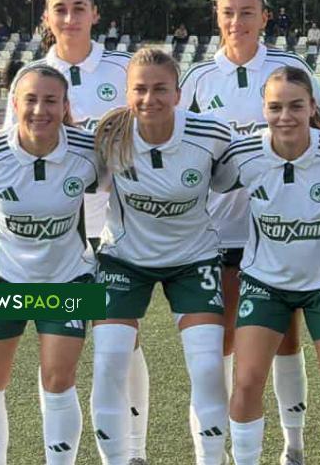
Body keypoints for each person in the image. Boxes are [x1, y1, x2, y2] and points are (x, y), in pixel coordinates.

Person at [179, 0, 320, 465]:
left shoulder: (291, 68)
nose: (236, 21)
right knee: (223, 338)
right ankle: (217, 449)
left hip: (283, 229)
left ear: (264, 17)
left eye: (247, 12)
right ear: (216, 16)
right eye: (228, 12)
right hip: (220, 231)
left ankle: (294, 445)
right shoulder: (198, 79)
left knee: (286, 338)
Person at [0, 0, 151, 464]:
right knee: (55, 350)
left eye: (79, 7)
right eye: (60, 9)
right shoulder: (30, 77)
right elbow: (11, 154)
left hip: (115, 229)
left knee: (123, 341)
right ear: (46, 17)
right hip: (56, 235)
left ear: (95, 13)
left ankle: (134, 451)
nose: (70, 17)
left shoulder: (122, 69)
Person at [217, 66, 320, 465]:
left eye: (295, 106)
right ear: (263, 109)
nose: (285, 116)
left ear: (312, 107)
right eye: (275, 107)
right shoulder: (243, 155)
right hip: (264, 281)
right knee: (245, 381)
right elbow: (211, 182)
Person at [90, 48, 234, 465]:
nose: (149, 99)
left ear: (178, 93)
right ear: (127, 92)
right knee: (109, 361)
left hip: (193, 260)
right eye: (140, 89)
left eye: (160, 89)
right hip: (123, 258)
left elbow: (232, 175)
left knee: (207, 366)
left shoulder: (211, 134)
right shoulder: (109, 134)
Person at [0, 64, 98, 465]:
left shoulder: (87, 150)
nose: (39, 109)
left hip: (68, 279)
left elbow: (121, 172)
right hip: (1, 278)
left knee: (59, 379)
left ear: (65, 106)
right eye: (30, 100)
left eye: (51, 100)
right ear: (14, 104)